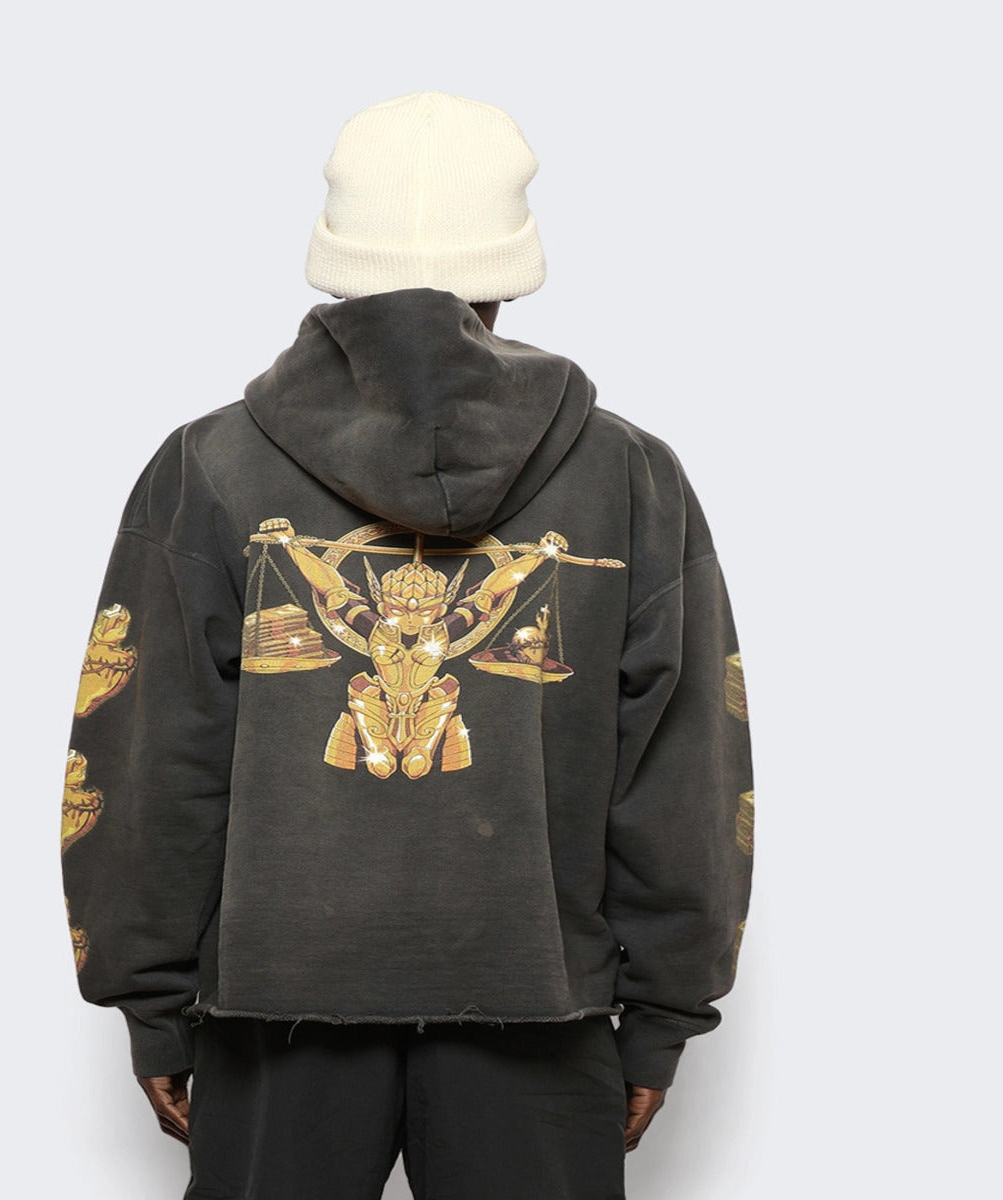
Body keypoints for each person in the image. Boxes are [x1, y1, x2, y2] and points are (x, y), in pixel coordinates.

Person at [60, 89, 755, 1200]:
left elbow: (149, 757)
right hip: (538, 1003)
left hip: (275, 1005)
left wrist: (149, 998)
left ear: (337, 258)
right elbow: (684, 773)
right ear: (511, 266)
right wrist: (666, 1007)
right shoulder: (630, 477)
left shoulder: (210, 468)